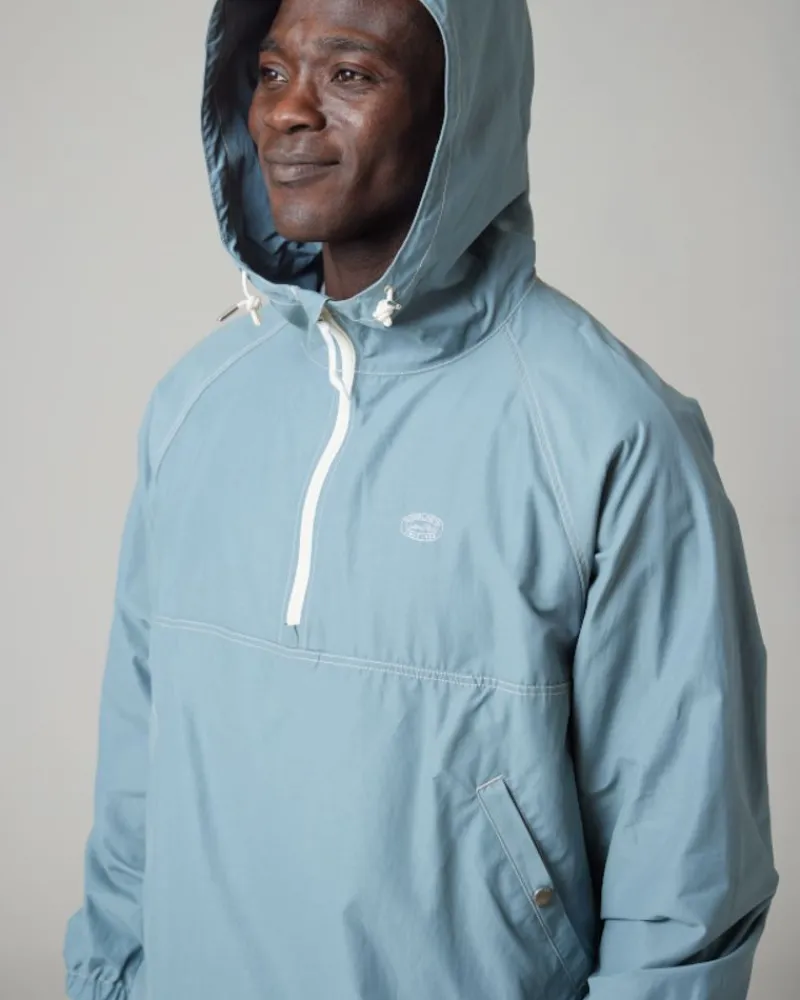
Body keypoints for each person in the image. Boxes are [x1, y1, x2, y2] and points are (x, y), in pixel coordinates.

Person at [63, 0, 779, 997]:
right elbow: (136, 791)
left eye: (350, 74)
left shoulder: (607, 433)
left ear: (462, 111)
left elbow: (683, 879)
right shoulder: (195, 404)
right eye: (270, 72)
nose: (287, 112)